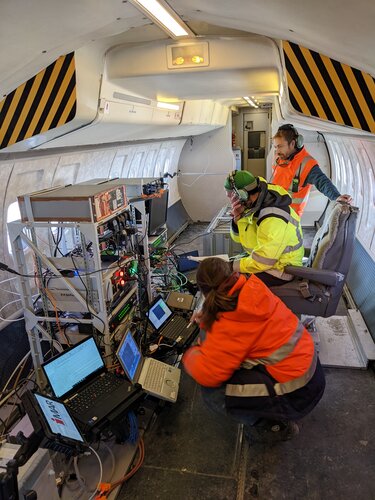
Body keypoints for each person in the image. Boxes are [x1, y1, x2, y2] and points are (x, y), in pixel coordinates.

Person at [182, 257, 325, 444]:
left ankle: (274, 427)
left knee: (212, 392)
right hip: (311, 373)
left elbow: (209, 373)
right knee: (235, 364)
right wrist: (210, 315)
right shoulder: (252, 286)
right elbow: (243, 328)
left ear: (204, 293)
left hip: (298, 393)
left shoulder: (231, 321)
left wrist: (190, 354)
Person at [224, 169, 303, 287]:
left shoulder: (273, 218)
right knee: (227, 272)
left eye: (231, 196)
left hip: (281, 269)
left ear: (242, 194)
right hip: (267, 260)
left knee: (231, 283)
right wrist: (237, 219)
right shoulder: (253, 202)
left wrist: (231, 266)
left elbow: (263, 261)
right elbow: (239, 239)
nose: (230, 201)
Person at [272, 124, 353, 216]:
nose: (277, 151)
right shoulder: (278, 157)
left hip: (289, 216)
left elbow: (322, 182)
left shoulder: (307, 163)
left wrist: (336, 196)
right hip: (273, 209)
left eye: (280, 146)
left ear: (293, 144)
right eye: (275, 147)